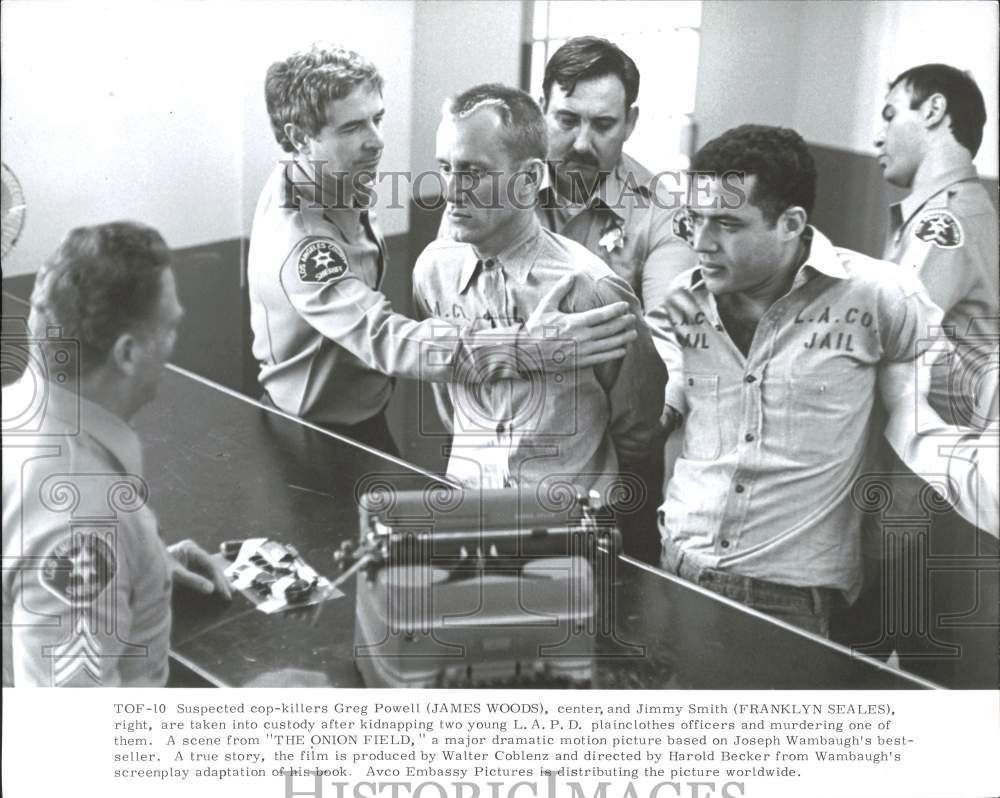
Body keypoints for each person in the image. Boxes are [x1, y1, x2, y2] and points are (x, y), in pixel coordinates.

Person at [248, 44, 639, 453]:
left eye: (377, 119)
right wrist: (532, 347)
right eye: (352, 128)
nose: (377, 141)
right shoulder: (301, 243)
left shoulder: (338, 177)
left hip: (365, 410)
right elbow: (385, 337)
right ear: (299, 138)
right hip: (312, 430)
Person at [648, 125, 953, 637]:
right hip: (678, 569)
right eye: (694, 220)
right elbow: (678, 400)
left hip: (793, 600)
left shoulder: (877, 296)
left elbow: (937, 435)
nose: (701, 243)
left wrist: (877, 564)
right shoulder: (686, 296)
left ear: (790, 223)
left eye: (726, 223)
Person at [2, 222, 230, 687]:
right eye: (170, 328)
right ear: (127, 353)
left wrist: (142, 563)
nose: (172, 345)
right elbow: (72, 747)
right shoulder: (84, 514)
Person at [413, 84, 666, 499]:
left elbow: (637, 427)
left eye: (473, 172)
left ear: (529, 178)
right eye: (445, 168)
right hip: (466, 507)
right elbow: (448, 393)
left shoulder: (592, 290)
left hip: (568, 527)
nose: (452, 191)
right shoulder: (432, 271)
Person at [874, 63, 998, 425]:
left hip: (931, 457)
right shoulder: (968, 208)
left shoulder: (944, 219)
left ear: (933, 111)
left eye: (890, 116)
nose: (878, 138)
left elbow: (893, 337)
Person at [536, 36, 695, 314]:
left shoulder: (662, 214)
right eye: (568, 121)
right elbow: (445, 320)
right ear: (541, 113)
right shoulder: (490, 191)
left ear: (629, 123)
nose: (582, 143)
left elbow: (668, 338)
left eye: (603, 124)